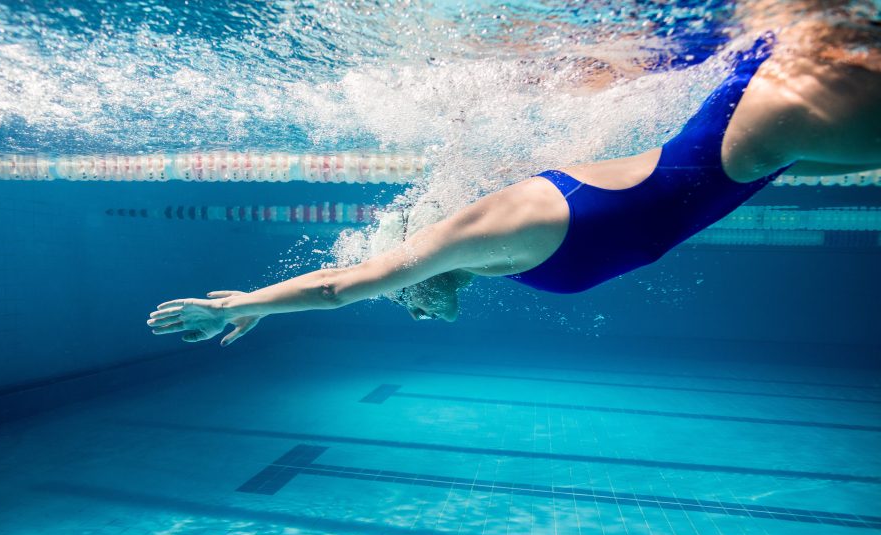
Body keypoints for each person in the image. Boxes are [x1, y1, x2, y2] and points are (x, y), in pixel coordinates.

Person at [147, 21, 881, 346]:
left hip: (771, 116)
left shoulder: (489, 226)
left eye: (402, 284)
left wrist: (247, 304)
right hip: (770, 141)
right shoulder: (501, 257)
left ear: (415, 251)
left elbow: (344, 284)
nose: (409, 301)